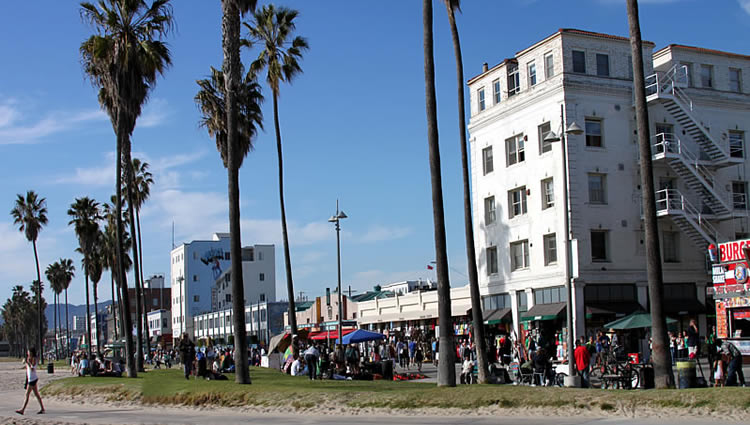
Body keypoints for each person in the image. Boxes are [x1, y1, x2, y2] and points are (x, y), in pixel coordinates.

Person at [16, 348, 45, 415]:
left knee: (27, 394)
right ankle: (42, 408)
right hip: (31, 379)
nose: (28, 353)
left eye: (29, 352)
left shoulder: (34, 359)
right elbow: (28, 369)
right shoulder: (29, 359)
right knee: (36, 394)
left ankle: (22, 410)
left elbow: (32, 368)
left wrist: (27, 362)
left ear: (31, 352)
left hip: (32, 379)